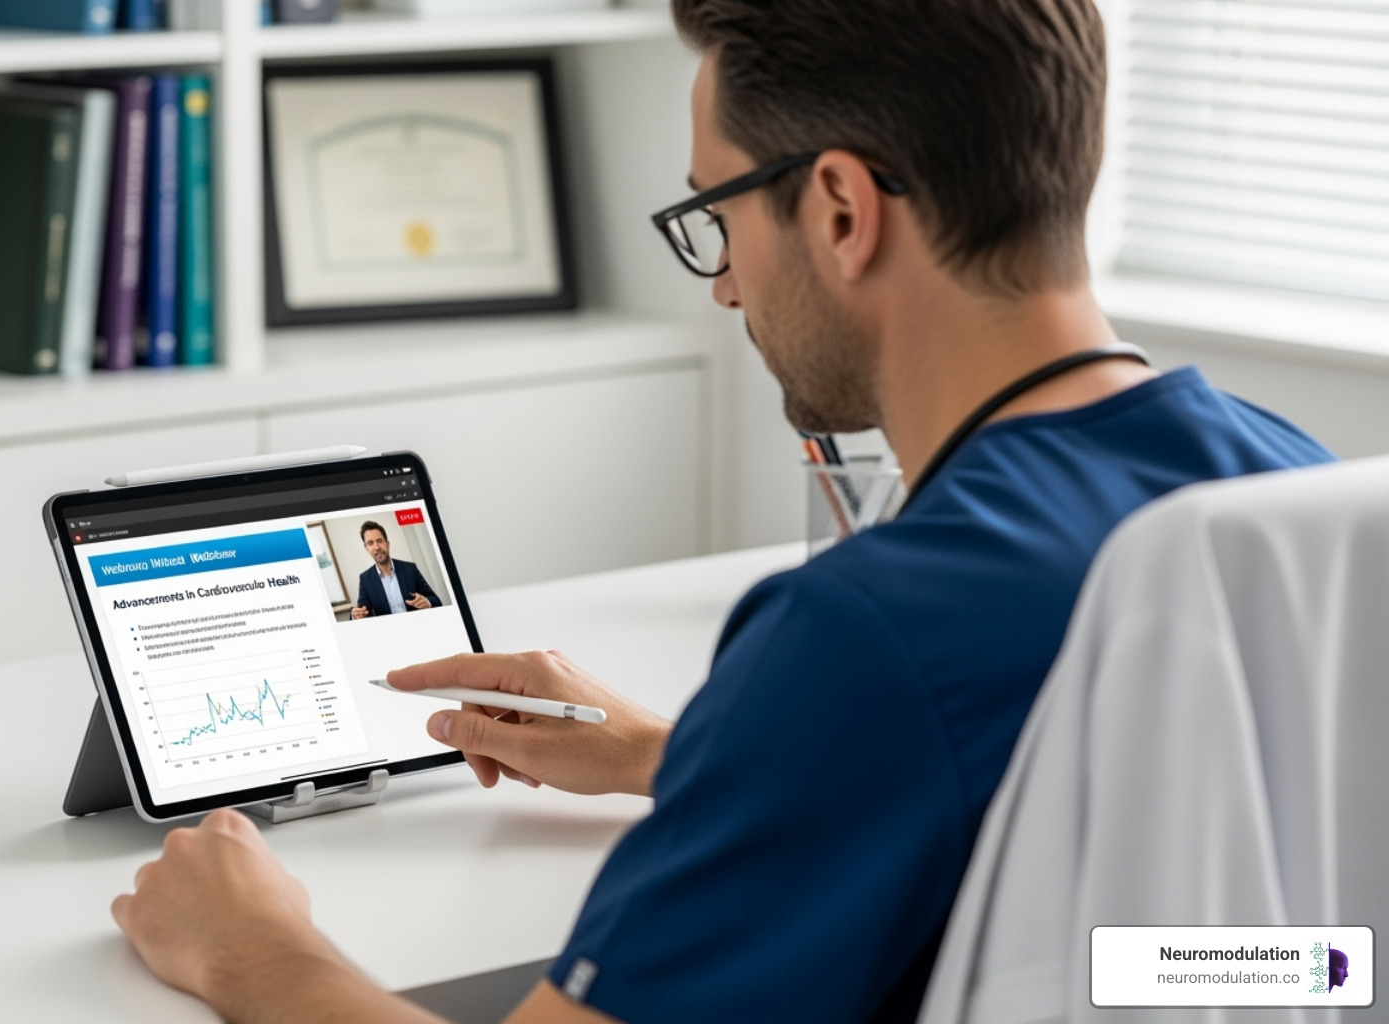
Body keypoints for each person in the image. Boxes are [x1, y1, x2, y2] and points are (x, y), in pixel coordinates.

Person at [109, 2, 1335, 1022]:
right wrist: (688, 757)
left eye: (721, 215)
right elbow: (1272, 934)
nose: (727, 284)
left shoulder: (871, 633)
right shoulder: (1296, 493)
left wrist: (251, 947)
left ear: (843, 210)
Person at [350, 520, 441, 619]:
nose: (376, 547)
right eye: (370, 543)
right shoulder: (365, 579)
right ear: (366, 548)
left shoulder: (410, 569)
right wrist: (356, 615)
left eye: (380, 541)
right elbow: (362, 612)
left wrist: (427, 602)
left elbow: (436, 600)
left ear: (387, 543)